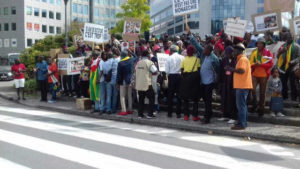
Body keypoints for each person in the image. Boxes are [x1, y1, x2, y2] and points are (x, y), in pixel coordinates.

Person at [188, 28, 220, 124]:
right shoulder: (203, 54)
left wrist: (216, 83)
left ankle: (207, 117)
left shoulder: (214, 59)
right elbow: (197, 45)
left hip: (209, 83)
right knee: (205, 100)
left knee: (208, 101)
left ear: (210, 51)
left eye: (205, 49)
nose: (203, 51)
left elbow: (218, 71)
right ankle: (208, 114)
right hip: (202, 82)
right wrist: (190, 35)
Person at [226, 43, 253, 130]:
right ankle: (242, 122)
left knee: (241, 106)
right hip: (241, 86)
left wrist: (231, 69)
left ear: (238, 51)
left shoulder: (242, 59)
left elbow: (241, 71)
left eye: (234, 51)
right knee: (242, 105)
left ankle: (242, 124)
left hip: (242, 86)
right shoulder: (240, 59)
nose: (233, 52)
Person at [249, 37, 274, 116]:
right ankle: (255, 103)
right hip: (255, 74)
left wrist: (261, 64)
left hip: (264, 75)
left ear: (264, 45)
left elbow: (271, 64)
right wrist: (254, 65)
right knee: (252, 89)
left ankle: (261, 109)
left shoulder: (268, 53)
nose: (259, 45)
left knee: (262, 93)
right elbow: (250, 63)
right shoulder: (254, 52)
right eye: (258, 43)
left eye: (261, 43)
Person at [180, 45, 201, 121]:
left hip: (186, 79)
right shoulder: (197, 59)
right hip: (194, 79)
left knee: (186, 98)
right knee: (195, 99)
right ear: (193, 52)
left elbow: (182, 70)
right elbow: (199, 69)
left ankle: (186, 116)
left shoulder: (184, 60)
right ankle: (195, 116)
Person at [135, 50, 158, 119]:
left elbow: (136, 70)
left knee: (141, 99)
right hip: (147, 83)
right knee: (152, 97)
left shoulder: (138, 63)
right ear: (148, 55)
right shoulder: (149, 62)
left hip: (139, 83)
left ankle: (140, 114)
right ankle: (150, 114)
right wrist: (155, 66)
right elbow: (155, 71)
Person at [277, 32, 300, 101]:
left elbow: (299, 57)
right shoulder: (282, 46)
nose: (290, 38)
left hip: (293, 67)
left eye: (291, 37)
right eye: (288, 37)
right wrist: (281, 52)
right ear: (286, 38)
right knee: (283, 83)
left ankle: (294, 98)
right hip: (283, 68)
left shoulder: (297, 46)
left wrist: (292, 62)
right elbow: (277, 57)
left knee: (293, 84)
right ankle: (284, 97)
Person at [219, 46, 237, 124]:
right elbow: (220, 70)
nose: (229, 55)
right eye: (227, 53)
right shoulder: (224, 60)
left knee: (232, 100)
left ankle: (233, 116)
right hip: (225, 82)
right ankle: (225, 115)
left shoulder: (236, 60)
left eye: (230, 53)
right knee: (224, 99)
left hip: (233, 82)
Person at [165, 45, 184, 118]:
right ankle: (178, 113)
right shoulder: (182, 57)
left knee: (170, 95)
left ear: (171, 51)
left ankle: (169, 113)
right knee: (179, 95)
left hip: (171, 76)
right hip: (179, 76)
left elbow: (167, 70)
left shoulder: (169, 58)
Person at [117, 50, 137, 116]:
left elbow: (119, 75)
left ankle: (124, 110)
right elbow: (136, 57)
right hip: (130, 80)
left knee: (122, 96)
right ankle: (130, 109)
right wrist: (131, 52)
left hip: (123, 81)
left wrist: (118, 83)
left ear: (121, 56)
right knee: (129, 95)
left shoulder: (120, 63)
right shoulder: (131, 60)